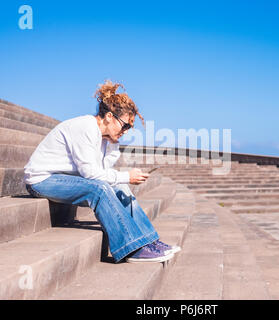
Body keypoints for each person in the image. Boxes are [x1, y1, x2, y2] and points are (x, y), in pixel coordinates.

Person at [23, 80, 180, 263]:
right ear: (109, 117)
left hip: (66, 179)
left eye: (130, 128)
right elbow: (91, 175)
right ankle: (132, 249)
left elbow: (103, 171)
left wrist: (113, 147)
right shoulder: (85, 127)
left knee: (121, 188)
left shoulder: (105, 139)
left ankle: (150, 240)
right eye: (125, 125)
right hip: (42, 180)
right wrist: (126, 176)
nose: (126, 131)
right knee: (99, 189)